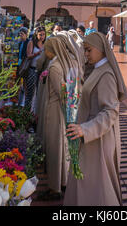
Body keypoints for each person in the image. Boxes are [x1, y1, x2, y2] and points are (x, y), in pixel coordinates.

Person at [63, 31, 127, 206]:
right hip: (91, 137)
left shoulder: (106, 75)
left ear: (100, 49)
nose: (86, 54)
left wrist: (85, 129)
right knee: (91, 184)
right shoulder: (97, 70)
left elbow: (110, 112)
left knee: (98, 186)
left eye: (88, 50)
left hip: (98, 138)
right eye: (85, 50)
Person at [36, 35, 81, 200]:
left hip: (55, 112)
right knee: (63, 148)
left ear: (52, 50)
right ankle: (63, 181)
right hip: (65, 112)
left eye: (46, 49)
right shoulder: (67, 62)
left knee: (55, 149)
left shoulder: (55, 66)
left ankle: (54, 187)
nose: (44, 52)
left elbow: (63, 93)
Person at [25, 26, 46, 113]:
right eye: (40, 35)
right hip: (32, 70)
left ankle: (36, 112)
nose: (42, 36)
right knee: (30, 92)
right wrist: (37, 53)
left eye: (43, 34)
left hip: (41, 71)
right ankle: (26, 111)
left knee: (39, 92)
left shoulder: (45, 44)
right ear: (36, 35)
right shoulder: (31, 43)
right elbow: (28, 55)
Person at [16, 27, 29, 106]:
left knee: (24, 79)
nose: (21, 35)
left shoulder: (28, 42)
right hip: (19, 62)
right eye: (20, 34)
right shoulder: (20, 42)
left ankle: (24, 96)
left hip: (24, 63)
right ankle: (19, 94)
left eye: (22, 34)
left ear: (26, 34)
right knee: (18, 78)